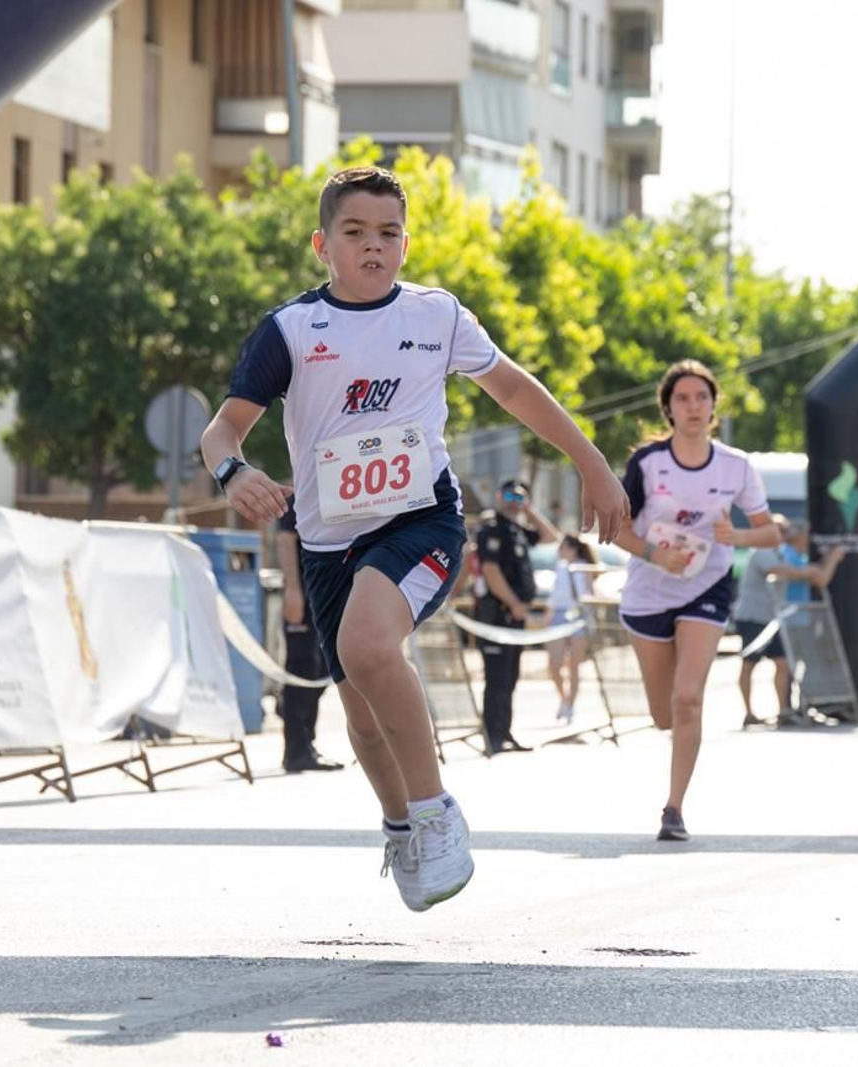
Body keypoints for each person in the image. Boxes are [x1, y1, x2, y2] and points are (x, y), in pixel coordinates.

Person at [199, 165, 628, 911]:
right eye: (355, 232)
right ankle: (400, 824)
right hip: (328, 542)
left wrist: (590, 461)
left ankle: (435, 812)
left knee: (369, 647)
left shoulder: (437, 316)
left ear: (405, 243)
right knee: (361, 712)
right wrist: (233, 473)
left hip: (420, 519)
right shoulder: (290, 331)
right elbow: (222, 428)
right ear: (322, 245)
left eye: (388, 233)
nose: (373, 246)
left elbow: (514, 387)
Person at [611, 360, 782, 842]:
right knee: (664, 714)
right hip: (648, 593)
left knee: (688, 698)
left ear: (713, 406)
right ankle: (670, 734)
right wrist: (654, 554)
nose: (693, 406)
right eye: (682, 398)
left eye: (701, 397)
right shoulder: (648, 464)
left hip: (707, 586)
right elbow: (617, 528)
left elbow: (771, 532)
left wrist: (737, 536)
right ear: (668, 408)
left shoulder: (736, 465)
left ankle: (674, 809)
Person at [731, 516, 844, 728]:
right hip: (753, 617)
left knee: (782, 663)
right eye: (779, 531)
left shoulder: (780, 553)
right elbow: (785, 572)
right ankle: (748, 713)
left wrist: (815, 567)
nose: (783, 535)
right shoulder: (762, 553)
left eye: (783, 531)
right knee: (749, 665)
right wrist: (811, 570)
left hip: (772, 619)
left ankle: (783, 710)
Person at [473, 479, 559, 754]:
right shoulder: (492, 528)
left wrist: (530, 510)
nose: (514, 502)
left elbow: (551, 537)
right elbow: (491, 571)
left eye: (520, 497)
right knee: (496, 678)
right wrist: (513, 603)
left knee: (510, 677)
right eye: (510, 496)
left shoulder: (517, 530)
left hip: (515, 616)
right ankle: (492, 737)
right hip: (497, 614)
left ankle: (504, 732)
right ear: (499, 497)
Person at [275, 500, 343, 772]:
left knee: (324, 669)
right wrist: (292, 590)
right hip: (302, 596)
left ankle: (304, 738)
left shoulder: (332, 495)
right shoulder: (300, 496)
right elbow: (285, 539)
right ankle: (297, 750)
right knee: (302, 668)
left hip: (324, 597)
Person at [544, 533, 596, 724]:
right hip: (558, 615)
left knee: (574, 665)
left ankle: (570, 706)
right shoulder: (560, 567)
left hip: (578, 616)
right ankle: (564, 699)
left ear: (573, 549)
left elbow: (588, 594)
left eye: (564, 547)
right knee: (554, 664)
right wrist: (548, 613)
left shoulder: (584, 567)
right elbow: (556, 594)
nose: (560, 550)